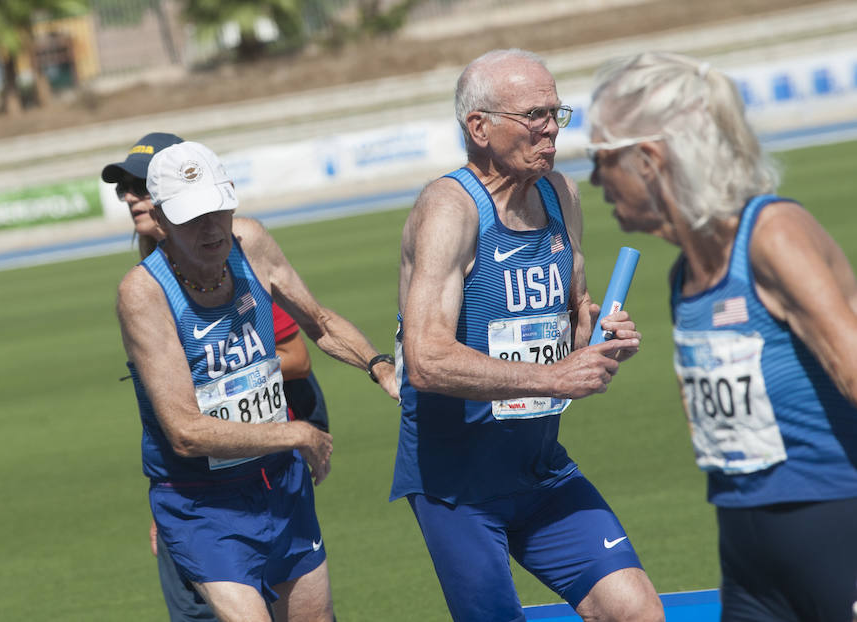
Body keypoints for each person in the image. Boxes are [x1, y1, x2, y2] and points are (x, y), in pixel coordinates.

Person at [392, 48, 664, 622]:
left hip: (541, 469)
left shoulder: (559, 194)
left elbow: (573, 314)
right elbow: (426, 359)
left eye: (557, 114)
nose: (551, 130)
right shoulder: (450, 209)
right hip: (457, 489)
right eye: (534, 116)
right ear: (479, 127)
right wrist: (553, 375)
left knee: (636, 611)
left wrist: (599, 335)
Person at [587, 51, 857, 621]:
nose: (592, 179)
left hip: (836, 527)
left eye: (600, 158)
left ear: (649, 159)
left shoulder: (774, 235)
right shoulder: (683, 274)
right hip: (747, 552)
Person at [116, 140, 397, 622]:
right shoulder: (143, 293)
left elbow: (320, 324)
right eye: (190, 216)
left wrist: (381, 367)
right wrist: (295, 432)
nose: (210, 228)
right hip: (201, 505)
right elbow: (185, 431)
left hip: (279, 485)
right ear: (160, 221)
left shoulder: (252, 243)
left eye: (217, 209)